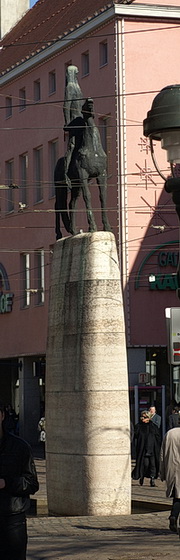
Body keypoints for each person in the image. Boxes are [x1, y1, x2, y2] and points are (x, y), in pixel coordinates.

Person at [0, 400, 39, 559]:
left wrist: (6, 483)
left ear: (2, 415)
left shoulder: (19, 446)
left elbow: (32, 483)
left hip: (12, 519)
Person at [160, 421, 180, 533]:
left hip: (172, 468)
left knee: (177, 495)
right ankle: (174, 516)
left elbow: (162, 454)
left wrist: (162, 471)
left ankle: (174, 516)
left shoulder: (170, 433)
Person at [132, 410, 161, 487]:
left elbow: (158, 438)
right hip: (143, 449)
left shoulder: (154, 427)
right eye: (142, 417)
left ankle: (152, 479)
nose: (142, 419)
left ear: (149, 418)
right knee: (145, 464)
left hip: (152, 449)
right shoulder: (138, 426)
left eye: (144, 417)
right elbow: (135, 436)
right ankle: (142, 477)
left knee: (153, 465)